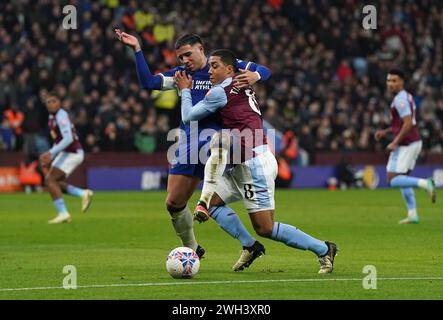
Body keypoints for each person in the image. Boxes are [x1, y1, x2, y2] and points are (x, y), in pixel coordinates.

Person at [115, 30, 271, 266]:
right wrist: (137, 49)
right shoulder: (182, 75)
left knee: (213, 200)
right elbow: (148, 82)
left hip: (216, 141)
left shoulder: (224, 66)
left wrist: (256, 76)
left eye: (188, 54)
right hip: (188, 143)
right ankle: (195, 250)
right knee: (173, 203)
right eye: (180, 57)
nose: (185, 60)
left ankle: (222, 219)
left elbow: (264, 70)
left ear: (201, 48)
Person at [175, 49, 338, 273]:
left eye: (214, 66)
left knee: (265, 227)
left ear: (229, 69)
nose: (209, 70)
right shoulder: (241, 84)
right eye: (209, 66)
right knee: (214, 204)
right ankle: (249, 245)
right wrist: (258, 74)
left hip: (254, 164)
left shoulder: (219, 93)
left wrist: (185, 91)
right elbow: (263, 70)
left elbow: (187, 117)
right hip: (245, 158)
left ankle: (324, 248)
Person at [375, 69, 436, 224]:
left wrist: (395, 142)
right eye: (388, 80)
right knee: (403, 179)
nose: (390, 84)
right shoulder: (405, 96)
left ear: (402, 82)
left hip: (405, 144)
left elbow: (408, 123)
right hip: (414, 142)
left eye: (394, 80)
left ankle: (425, 183)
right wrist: (387, 131)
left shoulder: (400, 100)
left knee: (392, 179)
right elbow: (404, 123)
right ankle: (413, 214)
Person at [39, 92, 94, 224]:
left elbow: (68, 138)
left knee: (50, 180)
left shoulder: (61, 116)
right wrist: (52, 153)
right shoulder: (51, 117)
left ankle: (63, 213)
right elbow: (58, 139)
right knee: (54, 183)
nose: (51, 104)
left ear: (59, 103)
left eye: (54, 101)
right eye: (49, 102)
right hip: (66, 153)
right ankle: (82, 194)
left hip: (72, 153)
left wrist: (51, 153)